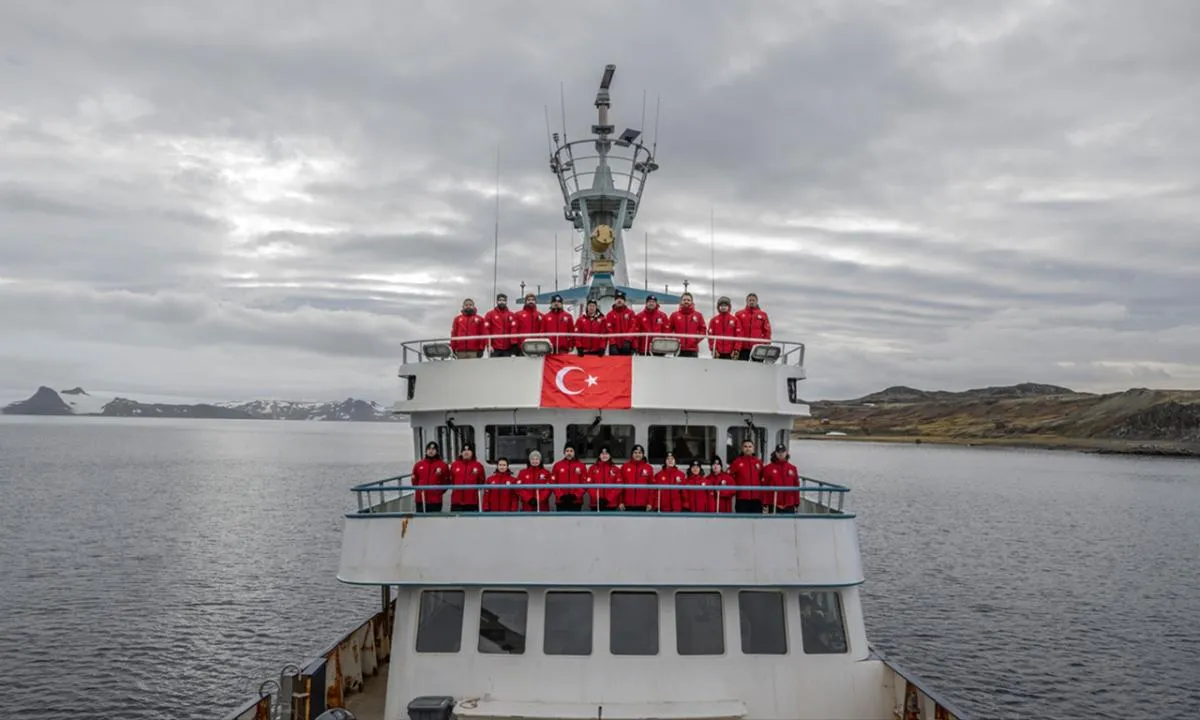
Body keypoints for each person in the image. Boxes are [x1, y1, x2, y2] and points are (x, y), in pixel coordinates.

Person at [761, 444, 801, 513]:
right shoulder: (768, 468)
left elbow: (796, 485)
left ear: (786, 453)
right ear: (775, 453)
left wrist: (796, 502)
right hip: (774, 503)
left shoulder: (792, 468)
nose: (781, 454)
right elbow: (764, 486)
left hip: (789, 503)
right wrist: (764, 502)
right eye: (778, 452)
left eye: (782, 452)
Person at [411, 441, 450, 513]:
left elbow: (446, 481)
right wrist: (419, 490)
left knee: (434, 519)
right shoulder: (418, 465)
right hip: (420, 499)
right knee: (420, 518)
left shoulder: (443, 465)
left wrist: (438, 492)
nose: (431, 451)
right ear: (426, 451)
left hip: (435, 500)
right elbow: (414, 481)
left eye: (433, 449)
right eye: (429, 449)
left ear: (437, 451)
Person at [729, 439, 765, 514]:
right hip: (742, 498)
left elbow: (763, 478)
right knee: (742, 520)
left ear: (753, 448)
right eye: (745, 446)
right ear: (742, 448)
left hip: (757, 498)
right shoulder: (736, 462)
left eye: (750, 446)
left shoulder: (758, 462)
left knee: (756, 519)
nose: (748, 448)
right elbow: (729, 477)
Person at [448, 444, 486, 512]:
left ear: (472, 452)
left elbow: (481, 482)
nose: (466, 452)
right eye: (464, 450)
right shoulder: (455, 465)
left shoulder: (478, 466)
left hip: (472, 502)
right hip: (456, 501)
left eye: (468, 450)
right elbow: (452, 481)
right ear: (461, 452)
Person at [551, 442, 587, 511]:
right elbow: (553, 482)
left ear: (574, 452)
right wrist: (560, 495)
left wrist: (576, 495)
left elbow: (584, 483)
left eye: (571, 451)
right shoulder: (557, 465)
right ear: (564, 452)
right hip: (561, 501)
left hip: (576, 501)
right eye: (567, 451)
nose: (569, 453)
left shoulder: (581, 466)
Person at [668, 292, 706, 357]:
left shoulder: (698, 315)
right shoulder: (674, 315)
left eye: (688, 300)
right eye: (684, 300)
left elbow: (703, 330)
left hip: (693, 349)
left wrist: (695, 340)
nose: (686, 301)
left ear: (692, 302)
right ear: (681, 301)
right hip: (678, 348)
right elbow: (668, 330)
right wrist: (675, 340)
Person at [735, 292, 771, 361]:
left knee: (757, 366)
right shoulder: (739, 314)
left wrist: (766, 344)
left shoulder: (763, 315)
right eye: (750, 300)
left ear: (757, 301)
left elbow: (767, 331)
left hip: (758, 347)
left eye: (753, 300)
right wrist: (736, 346)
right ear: (746, 301)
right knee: (741, 366)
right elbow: (736, 330)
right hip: (743, 347)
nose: (751, 302)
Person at [619, 444, 654, 511]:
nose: (637, 454)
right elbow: (620, 486)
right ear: (632, 454)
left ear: (643, 455)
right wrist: (620, 502)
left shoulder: (648, 468)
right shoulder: (625, 467)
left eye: (640, 453)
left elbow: (652, 487)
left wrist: (650, 503)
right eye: (635, 452)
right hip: (627, 504)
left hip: (643, 504)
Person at [587, 445, 622, 510]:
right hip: (596, 504)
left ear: (610, 455)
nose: (604, 455)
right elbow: (589, 485)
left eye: (606, 453)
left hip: (611, 504)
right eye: (602, 453)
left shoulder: (616, 469)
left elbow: (618, 487)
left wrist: (608, 499)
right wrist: (597, 498)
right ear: (599, 455)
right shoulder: (592, 469)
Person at [604, 291, 638, 356]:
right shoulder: (610, 314)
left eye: (621, 299)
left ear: (624, 301)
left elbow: (632, 327)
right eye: (617, 299)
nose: (619, 300)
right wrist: (613, 344)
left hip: (627, 345)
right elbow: (609, 329)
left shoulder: (630, 313)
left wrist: (628, 340)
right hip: (614, 346)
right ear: (615, 300)